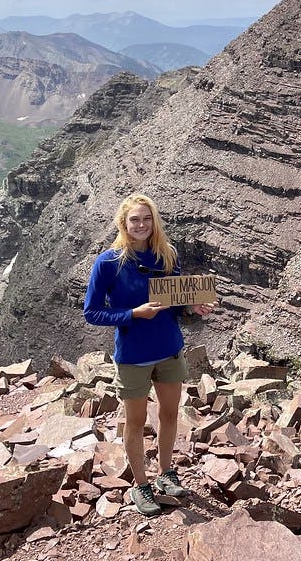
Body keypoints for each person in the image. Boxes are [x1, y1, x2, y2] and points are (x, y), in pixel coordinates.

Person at [83, 193, 214, 516]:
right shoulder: (109, 263)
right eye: (134, 220)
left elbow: (175, 304)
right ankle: (140, 485)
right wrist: (132, 314)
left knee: (170, 414)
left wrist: (194, 307)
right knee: (136, 422)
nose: (141, 225)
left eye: (146, 218)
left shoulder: (167, 255)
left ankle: (166, 474)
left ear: (154, 221)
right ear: (123, 224)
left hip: (169, 349)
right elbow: (92, 312)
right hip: (133, 355)